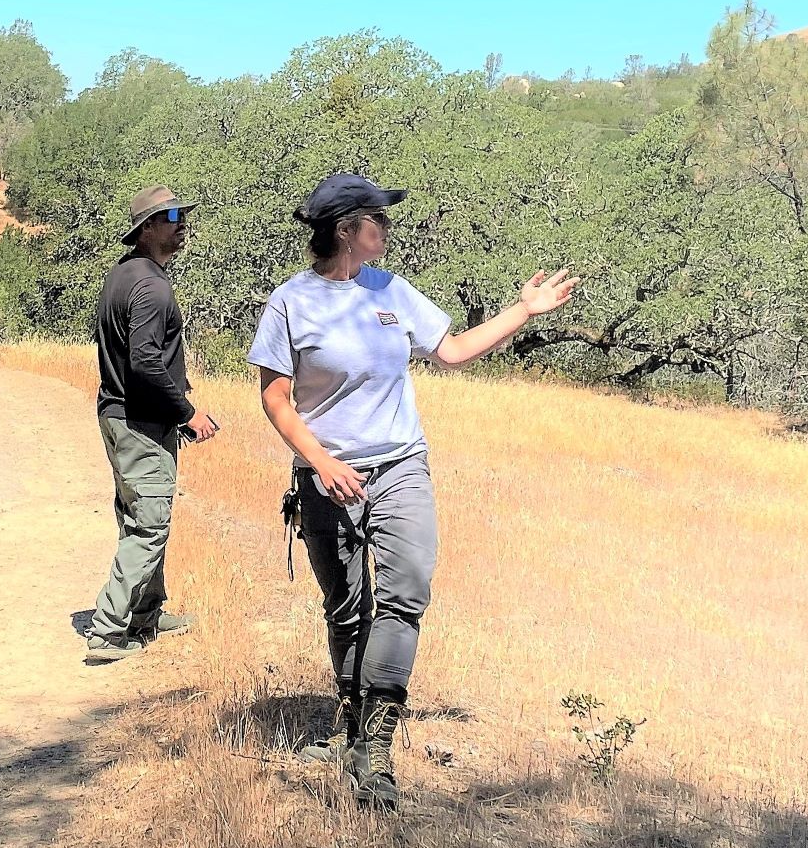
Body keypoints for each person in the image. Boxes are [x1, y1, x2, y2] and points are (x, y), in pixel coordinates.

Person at [247, 173, 577, 810]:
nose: (387, 229)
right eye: (378, 218)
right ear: (347, 230)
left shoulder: (389, 289)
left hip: (401, 466)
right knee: (346, 606)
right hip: (327, 479)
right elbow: (274, 398)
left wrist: (521, 313)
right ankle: (348, 720)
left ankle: (375, 743)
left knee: (403, 596)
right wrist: (319, 462)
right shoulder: (291, 302)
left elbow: (450, 351)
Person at [86, 185, 219, 664]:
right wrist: (187, 413)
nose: (182, 223)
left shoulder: (122, 276)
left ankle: (147, 613)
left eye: (181, 214)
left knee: (137, 514)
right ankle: (106, 630)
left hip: (121, 415)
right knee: (149, 525)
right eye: (172, 216)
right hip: (139, 422)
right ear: (146, 229)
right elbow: (144, 363)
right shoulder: (151, 286)